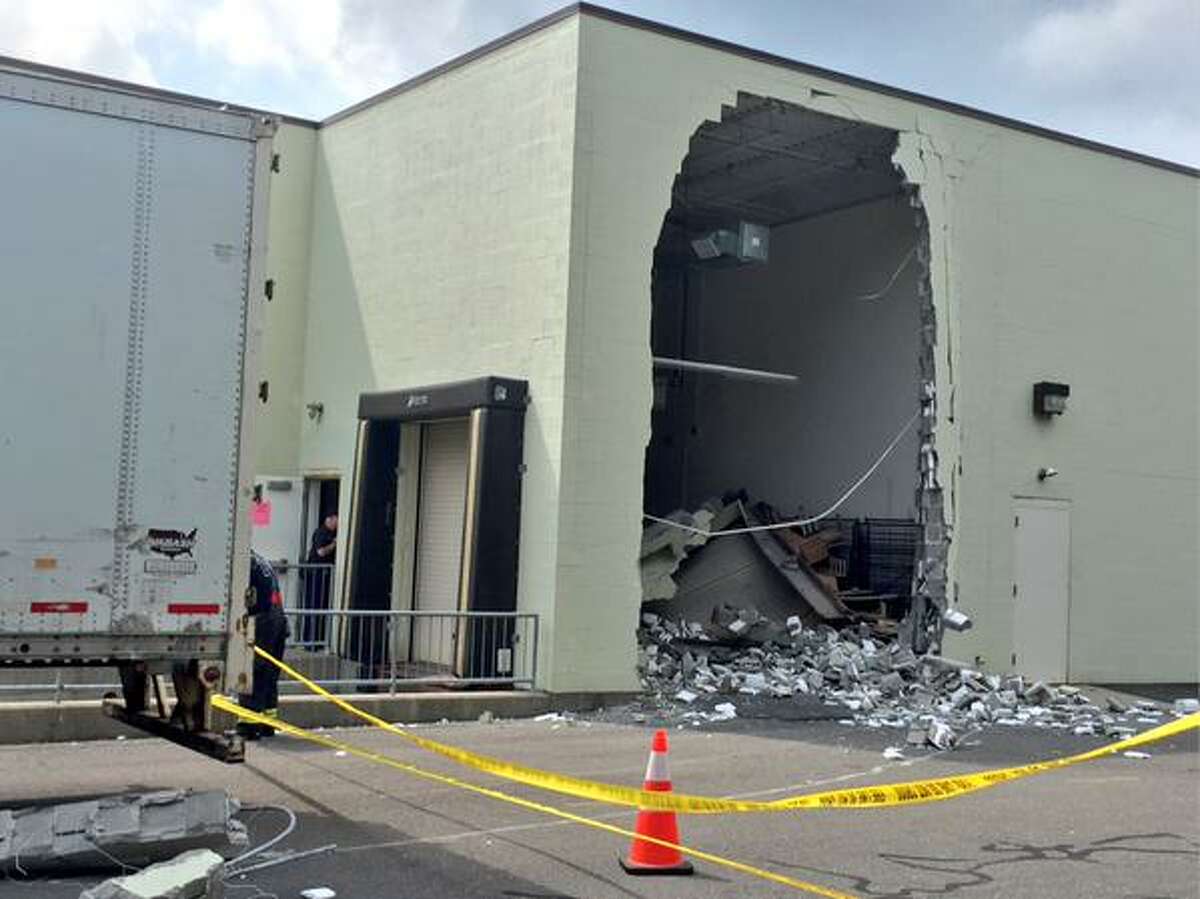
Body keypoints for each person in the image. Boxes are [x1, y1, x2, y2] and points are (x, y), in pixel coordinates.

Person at [238, 550, 288, 739]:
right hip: (278, 619)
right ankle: (268, 723)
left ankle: (248, 726)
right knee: (270, 673)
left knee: (252, 670)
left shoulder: (245, 560)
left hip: (263, 620)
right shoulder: (261, 561)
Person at [301, 513, 337, 647]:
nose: (337, 524)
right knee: (314, 606)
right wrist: (334, 544)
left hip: (321, 575)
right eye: (336, 520)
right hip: (315, 575)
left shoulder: (328, 533)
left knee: (320, 606)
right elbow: (321, 552)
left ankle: (316, 641)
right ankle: (310, 642)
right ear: (329, 519)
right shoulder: (321, 533)